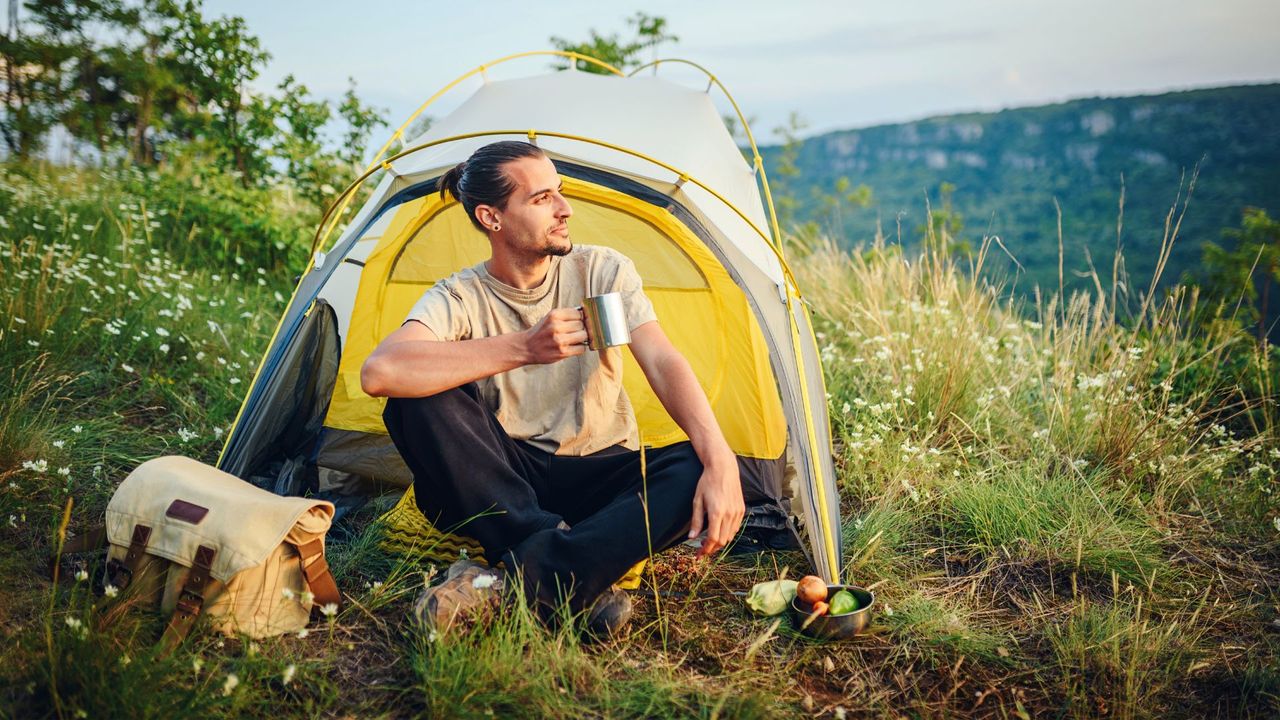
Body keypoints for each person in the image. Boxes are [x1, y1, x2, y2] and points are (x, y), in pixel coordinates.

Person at [360, 140, 746, 636]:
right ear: (491, 217)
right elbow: (380, 372)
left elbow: (663, 361)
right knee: (413, 399)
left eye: (560, 193)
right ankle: (571, 570)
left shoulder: (600, 272)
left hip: (598, 470)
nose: (565, 209)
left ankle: (518, 582)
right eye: (542, 198)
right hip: (501, 480)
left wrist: (720, 459)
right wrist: (523, 347)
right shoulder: (460, 296)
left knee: (696, 466)